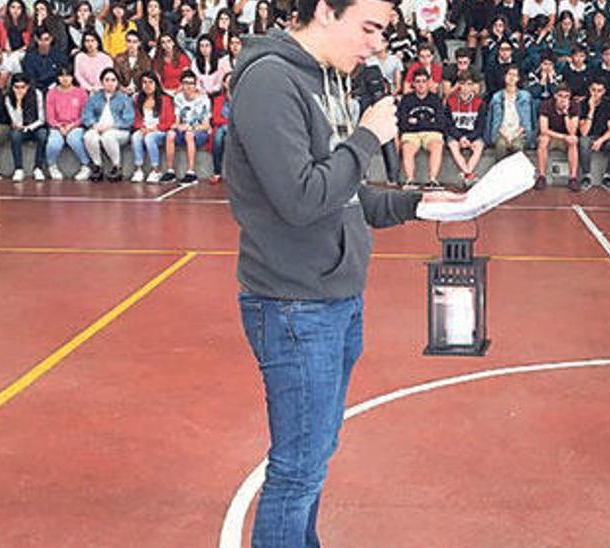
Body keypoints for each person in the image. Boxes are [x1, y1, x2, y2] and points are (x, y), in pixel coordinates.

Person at [224, 1, 463, 546]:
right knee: (297, 467)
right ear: (325, 12)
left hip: (335, 297)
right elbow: (304, 198)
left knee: (314, 455)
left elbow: (345, 196)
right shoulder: (269, 83)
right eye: (368, 28)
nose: (374, 44)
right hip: (294, 304)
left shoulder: (329, 81)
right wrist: (367, 137)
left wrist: (418, 203)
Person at [80, 67, 134, 182]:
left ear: (117, 82)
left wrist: (111, 126)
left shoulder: (124, 99)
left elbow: (128, 120)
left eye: (113, 80)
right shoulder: (94, 98)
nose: (110, 83)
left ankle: (116, 166)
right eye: (107, 80)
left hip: (119, 131)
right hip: (98, 128)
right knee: (89, 136)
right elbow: (86, 115)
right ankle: (97, 166)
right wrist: (94, 125)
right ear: (102, 82)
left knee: (108, 136)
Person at [397, 67, 447, 187]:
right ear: (413, 83)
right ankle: (410, 180)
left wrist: (416, 122)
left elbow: (440, 123)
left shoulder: (435, 99)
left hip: (431, 134)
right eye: (418, 81)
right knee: (407, 147)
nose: (421, 84)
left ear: (429, 82)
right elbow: (403, 123)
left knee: (437, 145)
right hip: (411, 135)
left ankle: (433, 180)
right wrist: (428, 121)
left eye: (424, 81)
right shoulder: (406, 99)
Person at [45, 65, 91, 180]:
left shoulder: (81, 92)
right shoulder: (51, 93)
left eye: (68, 75)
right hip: (57, 126)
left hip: (76, 125)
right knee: (53, 143)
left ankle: (86, 165)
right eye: (62, 76)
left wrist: (72, 125)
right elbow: (49, 116)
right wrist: (58, 126)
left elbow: (85, 115)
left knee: (74, 139)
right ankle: (52, 166)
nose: (65, 79)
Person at [163, 70, 210, 183]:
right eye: (185, 83)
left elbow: (206, 125)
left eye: (191, 83)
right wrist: (178, 126)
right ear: (181, 85)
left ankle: (191, 172)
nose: (188, 86)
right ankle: (170, 171)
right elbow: (177, 120)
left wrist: (191, 128)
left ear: (195, 85)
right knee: (170, 134)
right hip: (183, 130)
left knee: (189, 135)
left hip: (198, 132)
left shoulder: (204, 99)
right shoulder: (178, 98)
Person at [576, 79, 610, 189]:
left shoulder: (608, 104)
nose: (596, 94)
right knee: (583, 141)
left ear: (604, 91)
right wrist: (591, 109)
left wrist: (600, 140)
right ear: (589, 90)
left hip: (603, 138)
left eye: (599, 91)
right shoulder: (582, 104)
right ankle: (586, 176)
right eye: (593, 90)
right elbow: (584, 132)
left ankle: (608, 176)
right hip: (588, 137)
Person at [443, 71, 487, 186]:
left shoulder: (480, 103)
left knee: (479, 145)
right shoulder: (451, 101)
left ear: (473, 86)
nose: (466, 88)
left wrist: (469, 138)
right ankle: (469, 174)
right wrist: (460, 137)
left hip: (472, 135)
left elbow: (480, 126)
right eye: (463, 84)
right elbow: (448, 124)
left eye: (469, 84)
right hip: (456, 134)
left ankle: (466, 174)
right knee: (452, 145)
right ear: (459, 85)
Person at [129, 71, 173, 183]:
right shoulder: (137, 98)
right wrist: (141, 127)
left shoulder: (165, 99)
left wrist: (155, 128)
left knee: (149, 137)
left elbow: (169, 121)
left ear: (156, 84)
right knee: (135, 137)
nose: (147, 85)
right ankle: (138, 169)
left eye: (150, 82)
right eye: (144, 82)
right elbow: (135, 118)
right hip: (144, 128)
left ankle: (156, 170)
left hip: (159, 130)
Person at [535, 83, 581, 190]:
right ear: (555, 96)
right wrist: (563, 137)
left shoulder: (574, 106)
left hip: (565, 137)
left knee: (573, 140)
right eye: (560, 96)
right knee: (543, 139)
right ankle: (541, 177)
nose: (563, 99)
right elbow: (544, 129)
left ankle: (572, 178)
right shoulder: (546, 105)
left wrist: (565, 113)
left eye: (566, 97)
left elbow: (572, 131)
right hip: (551, 136)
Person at [5, 74, 48, 181]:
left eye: (22, 87)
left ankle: (38, 168)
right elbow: (16, 121)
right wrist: (18, 102)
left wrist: (29, 127)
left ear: (28, 86)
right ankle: (18, 168)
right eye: (16, 87)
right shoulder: (8, 98)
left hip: (35, 126)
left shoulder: (37, 94)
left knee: (43, 135)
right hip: (20, 128)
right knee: (15, 135)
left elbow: (41, 118)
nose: (19, 90)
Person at [485, 65, 533, 156]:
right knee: (501, 145)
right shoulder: (497, 97)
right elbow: (493, 120)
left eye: (514, 75)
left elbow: (528, 119)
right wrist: (505, 135)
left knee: (517, 146)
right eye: (509, 74)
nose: (511, 77)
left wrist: (515, 134)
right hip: (501, 132)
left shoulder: (525, 96)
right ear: (504, 77)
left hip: (519, 132)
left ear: (518, 78)